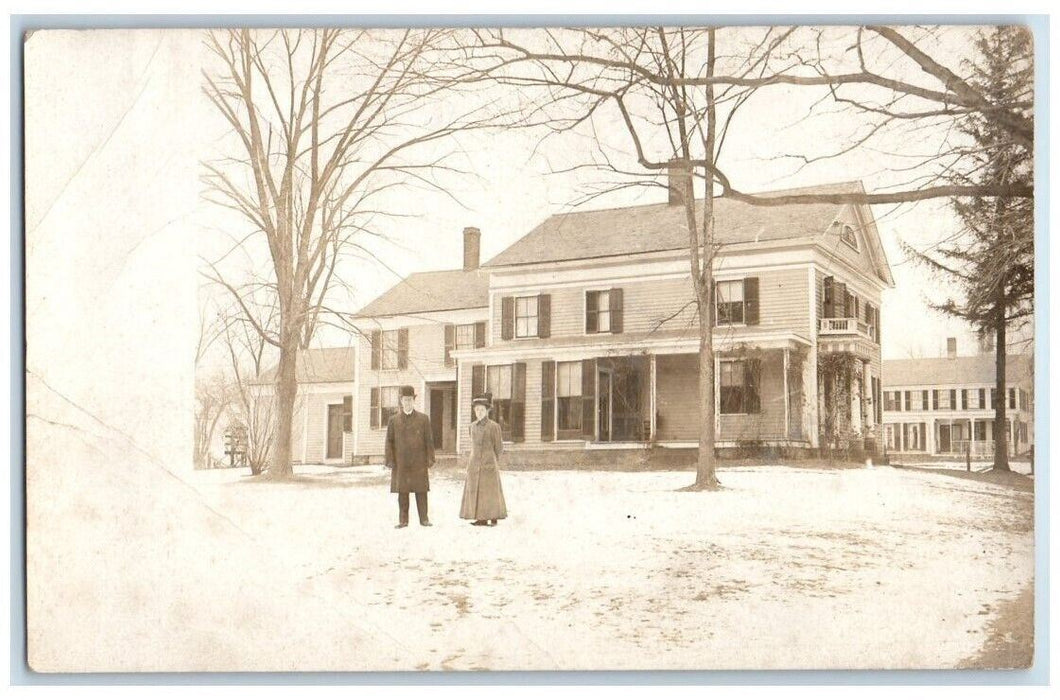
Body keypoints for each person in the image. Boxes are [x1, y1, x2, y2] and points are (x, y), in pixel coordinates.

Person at [385, 385, 435, 528]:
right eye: (405, 400)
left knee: (421, 490)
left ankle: (424, 519)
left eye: (410, 400)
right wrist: (390, 460)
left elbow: (429, 441)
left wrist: (430, 458)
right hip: (401, 462)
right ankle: (403, 520)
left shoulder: (423, 419)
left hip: (419, 462)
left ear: (414, 401)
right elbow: (389, 441)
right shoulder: (393, 420)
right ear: (401, 401)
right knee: (403, 492)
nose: (407, 402)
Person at [459, 392, 507, 527]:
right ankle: (480, 518)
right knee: (477, 490)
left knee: (490, 490)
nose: (479, 412)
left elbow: (499, 448)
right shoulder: (472, 426)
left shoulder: (494, 427)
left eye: (482, 410)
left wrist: (492, 460)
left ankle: (493, 516)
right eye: (477, 410)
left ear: (487, 411)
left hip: (489, 463)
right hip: (474, 463)